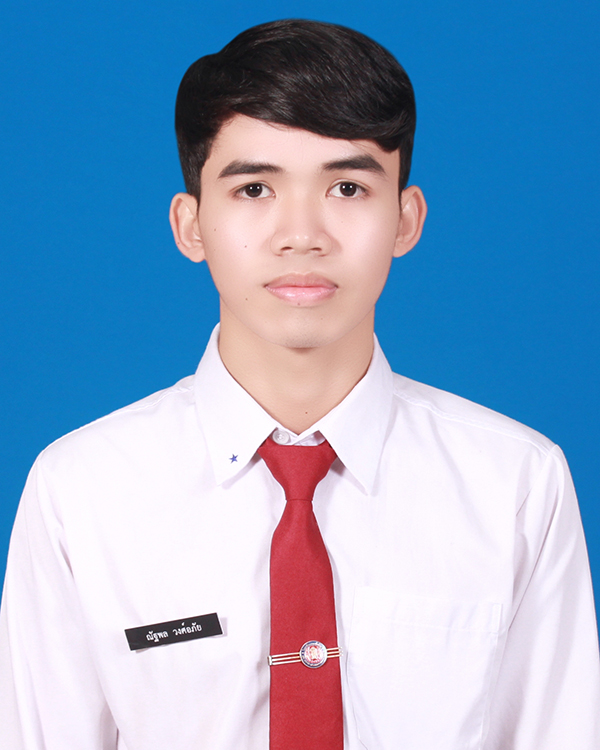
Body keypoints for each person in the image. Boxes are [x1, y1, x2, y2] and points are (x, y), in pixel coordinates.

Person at [0, 18, 598, 750]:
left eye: (348, 187)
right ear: (191, 225)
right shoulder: (81, 492)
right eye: (254, 188)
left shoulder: (516, 484)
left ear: (406, 220)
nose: (303, 234)